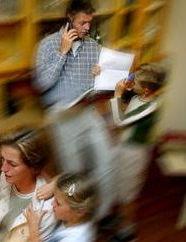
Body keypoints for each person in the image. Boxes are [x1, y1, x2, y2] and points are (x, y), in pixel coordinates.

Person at [33, 0, 115, 222]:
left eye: (90, 22)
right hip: (61, 119)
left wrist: (103, 76)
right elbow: (42, 84)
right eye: (82, 22)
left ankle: (102, 214)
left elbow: (104, 84)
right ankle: (75, 220)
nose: (87, 27)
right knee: (74, 172)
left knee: (106, 162)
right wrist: (62, 52)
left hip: (88, 114)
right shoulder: (47, 46)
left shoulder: (93, 47)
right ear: (69, 17)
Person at [106, 62, 167, 242]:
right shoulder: (143, 96)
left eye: (136, 81)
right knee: (121, 186)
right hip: (126, 149)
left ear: (147, 90)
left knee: (128, 195)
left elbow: (119, 121)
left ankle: (127, 232)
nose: (132, 81)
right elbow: (129, 98)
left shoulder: (150, 106)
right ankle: (120, 216)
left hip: (134, 154)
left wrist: (117, 94)